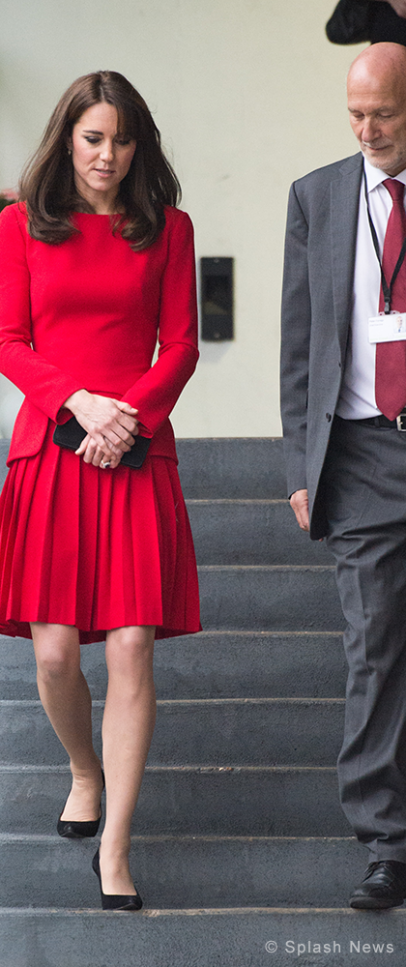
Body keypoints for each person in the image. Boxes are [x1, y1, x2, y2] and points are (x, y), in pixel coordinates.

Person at [0, 70, 200, 911]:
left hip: (137, 454)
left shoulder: (170, 230)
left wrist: (128, 421)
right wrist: (77, 405)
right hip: (52, 445)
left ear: (138, 144)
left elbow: (178, 347)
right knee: (53, 650)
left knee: (131, 646)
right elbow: (8, 342)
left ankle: (115, 849)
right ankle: (84, 769)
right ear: (66, 140)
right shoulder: (21, 226)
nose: (107, 155)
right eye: (92, 139)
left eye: (121, 139)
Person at [281, 42, 406, 909]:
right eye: (355, 115)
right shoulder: (318, 197)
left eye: (385, 115)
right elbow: (298, 343)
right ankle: (387, 844)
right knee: (374, 648)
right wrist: (300, 461)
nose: (367, 130)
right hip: (358, 452)